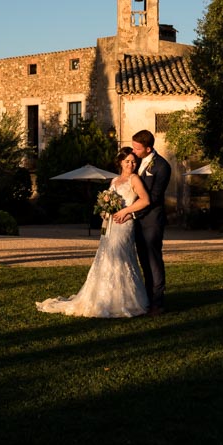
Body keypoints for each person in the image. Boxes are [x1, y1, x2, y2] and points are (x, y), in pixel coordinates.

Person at [36, 147, 151, 318]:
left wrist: (126, 212)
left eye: (133, 161)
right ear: (120, 162)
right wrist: (105, 210)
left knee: (121, 257)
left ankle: (124, 300)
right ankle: (104, 296)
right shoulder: (114, 181)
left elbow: (145, 200)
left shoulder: (135, 179)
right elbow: (109, 202)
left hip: (124, 223)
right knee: (105, 256)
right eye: (127, 161)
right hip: (110, 224)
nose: (131, 164)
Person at [114, 129, 171, 315]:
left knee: (153, 261)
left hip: (151, 221)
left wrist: (131, 214)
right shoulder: (136, 162)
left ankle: (158, 303)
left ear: (148, 149)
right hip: (135, 221)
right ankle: (145, 298)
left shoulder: (162, 167)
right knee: (142, 261)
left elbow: (153, 198)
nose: (134, 150)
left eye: (137, 148)